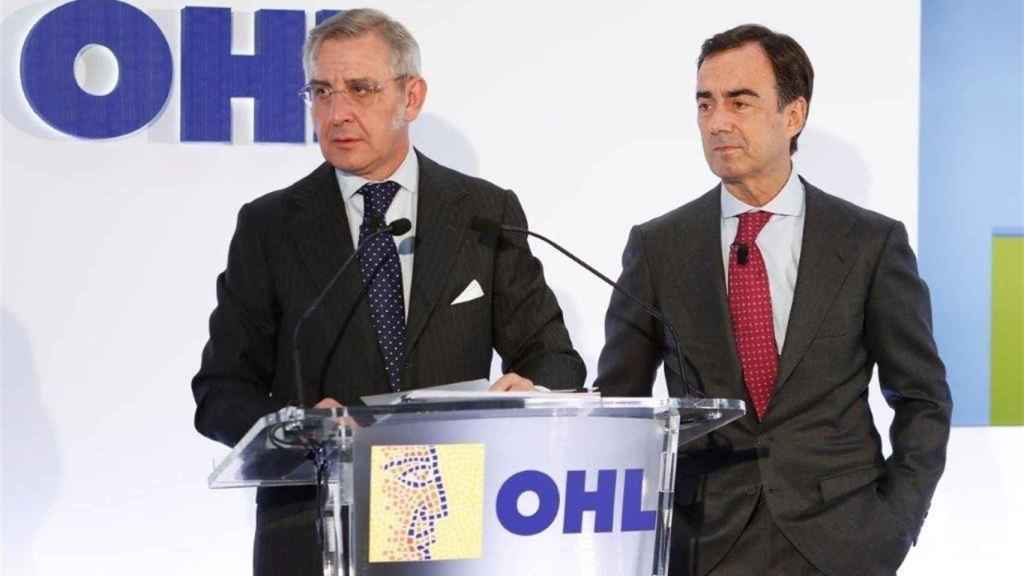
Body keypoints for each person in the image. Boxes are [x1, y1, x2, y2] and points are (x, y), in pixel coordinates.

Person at [191, 9, 585, 574]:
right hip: (313, 527)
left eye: (360, 89)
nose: (338, 112)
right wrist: (295, 424)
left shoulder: (483, 212)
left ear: (412, 97)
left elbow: (556, 357)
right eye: (321, 91)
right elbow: (220, 391)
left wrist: (533, 392)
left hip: (456, 523)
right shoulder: (270, 226)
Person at [595, 24, 952, 576]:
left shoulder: (869, 243)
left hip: (844, 542)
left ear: (793, 116)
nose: (717, 122)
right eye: (705, 103)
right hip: (704, 544)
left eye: (740, 101)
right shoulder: (657, 247)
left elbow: (923, 397)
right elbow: (622, 407)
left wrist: (896, 524)